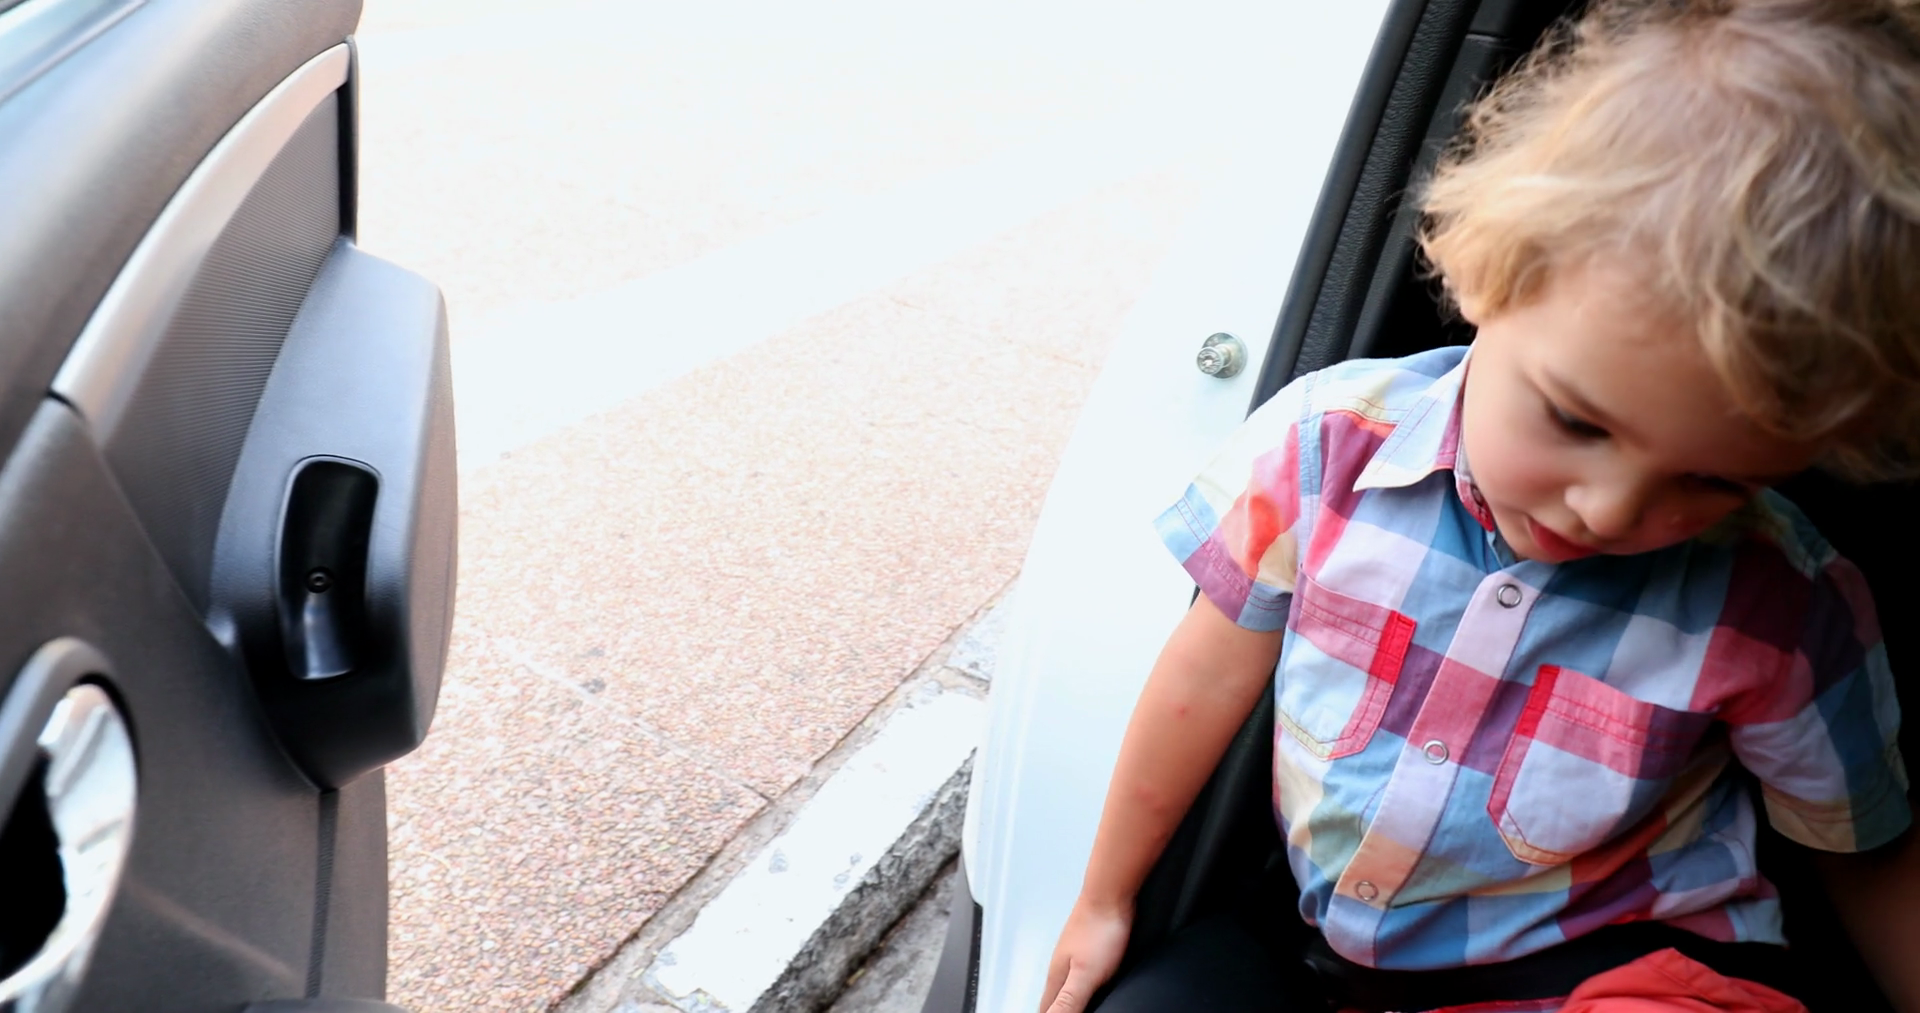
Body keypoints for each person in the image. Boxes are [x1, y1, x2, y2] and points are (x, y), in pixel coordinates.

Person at [1038, 1, 1920, 1011]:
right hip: (1324, 950)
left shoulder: (1782, 605)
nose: (1608, 509)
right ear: (1491, 273)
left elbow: (1861, 846)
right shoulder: (1323, 451)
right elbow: (1202, 677)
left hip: (1617, 965)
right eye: (1576, 421)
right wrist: (1104, 899)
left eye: (1712, 481)